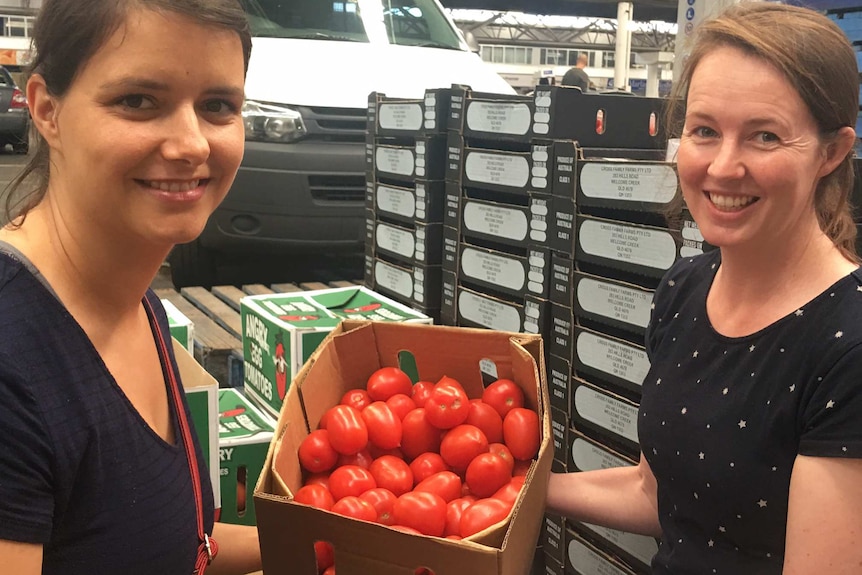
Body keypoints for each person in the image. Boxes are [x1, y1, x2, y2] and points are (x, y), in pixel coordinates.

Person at [546, 3, 862, 573]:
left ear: (832, 152)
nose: (723, 166)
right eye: (704, 131)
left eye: (765, 136)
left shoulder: (849, 348)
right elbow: (657, 494)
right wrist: (518, 488)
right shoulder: (686, 290)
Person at [0, 1, 262, 573]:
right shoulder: (11, 365)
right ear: (47, 109)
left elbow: (176, 543)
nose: (192, 144)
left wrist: (339, 543)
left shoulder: (139, 304)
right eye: (138, 101)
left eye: (218, 106)